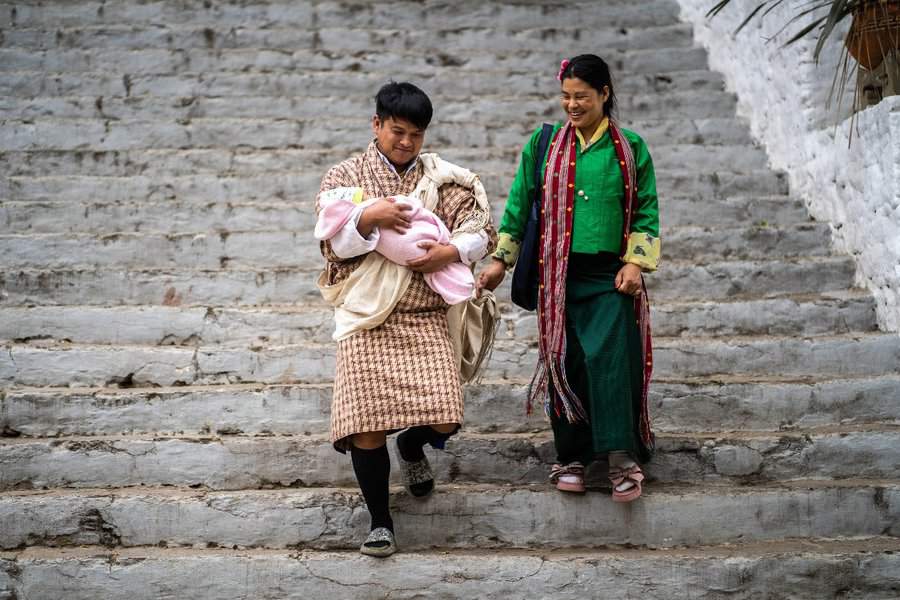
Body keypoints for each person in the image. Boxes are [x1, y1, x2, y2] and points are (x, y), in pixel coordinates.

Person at [315, 81, 497, 557]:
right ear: (376, 125)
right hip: (366, 318)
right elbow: (330, 244)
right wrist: (368, 217)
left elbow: (483, 230)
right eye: (397, 131)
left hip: (425, 315)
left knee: (446, 417)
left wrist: (451, 251)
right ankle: (380, 523)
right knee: (366, 425)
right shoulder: (345, 176)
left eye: (416, 134)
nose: (406, 143)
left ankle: (413, 447)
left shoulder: (444, 180)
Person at [477, 54, 659, 502]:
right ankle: (573, 456)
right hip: (555, 276)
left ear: (604, 94)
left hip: (610, 276)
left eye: (581, 96)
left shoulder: (630, 148)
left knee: (613, 361)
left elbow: (646, 212)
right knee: (567, 360)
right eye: (565, 96)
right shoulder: (543, 146)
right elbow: (518, 206)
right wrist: (501, 260)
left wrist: (635, 263)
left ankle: (619, 457)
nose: (572, 105)